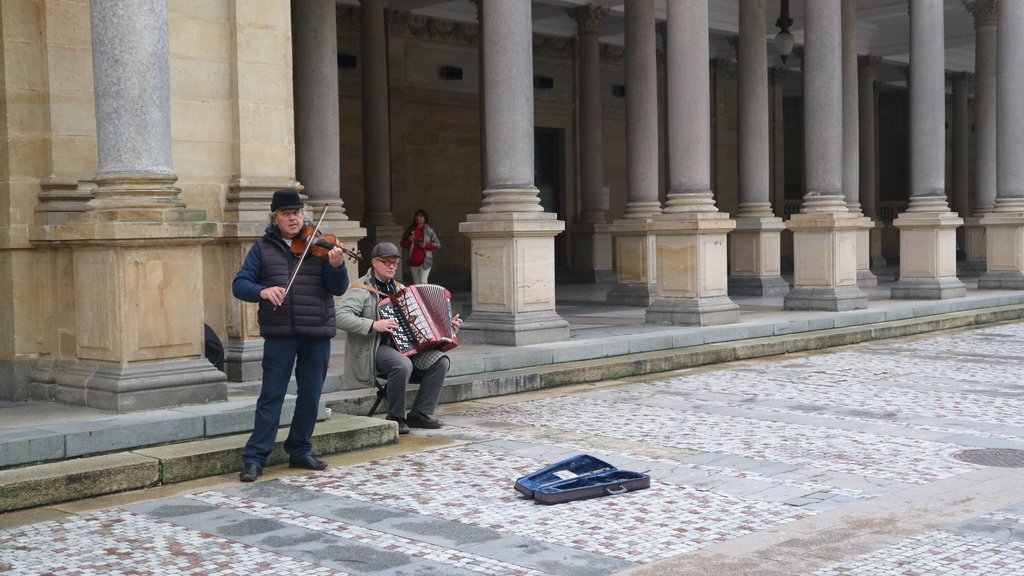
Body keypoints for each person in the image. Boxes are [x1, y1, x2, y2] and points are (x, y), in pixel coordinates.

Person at [232, 188, 350, 482]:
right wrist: (262, 290)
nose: (294, 218)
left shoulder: (320, 246)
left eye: (297, 213)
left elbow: (338, 288)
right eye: (287, 214)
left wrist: (337, 266)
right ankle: (255, 457)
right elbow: (239, 284)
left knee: (310, 396)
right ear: (275, 218)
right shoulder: (262, 248)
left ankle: (300, 450)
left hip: (317, 331)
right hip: (280, 333)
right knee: (271, 395)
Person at [336, 242, 462, 435]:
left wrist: (447, 325)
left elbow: (421, 323)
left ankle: (419, 413)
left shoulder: (402, 289)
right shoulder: (360, 289)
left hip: (407, 348)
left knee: (440, 360)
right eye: (386, 262)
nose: (391, 266)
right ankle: (396, 416)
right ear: (374, 263)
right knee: (402, 364)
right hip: (375, 348)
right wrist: (373, 325)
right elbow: (339, 316)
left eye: (394, 262)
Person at [400, 209, 441, 284]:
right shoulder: (410, 230)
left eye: (421, 216)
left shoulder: (429, 230)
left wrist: (425, 245)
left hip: (426, 261)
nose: (418, 218)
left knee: (423, 282)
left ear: (425, 218)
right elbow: (402, 244)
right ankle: (419, 296)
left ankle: (425, 296)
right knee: (417, 284)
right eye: (417, 216)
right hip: (413, 261)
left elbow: (437, 244)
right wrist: (409, 239)